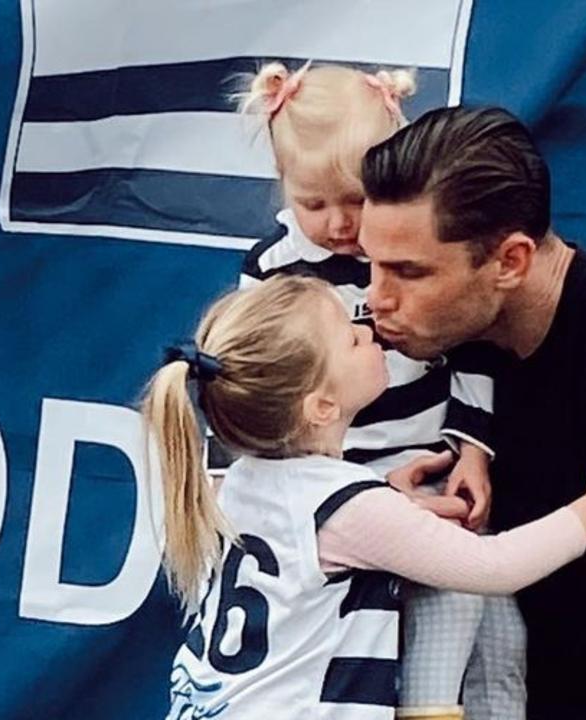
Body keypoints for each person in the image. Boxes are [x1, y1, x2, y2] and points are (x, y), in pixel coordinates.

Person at [142, 273, 586, 719]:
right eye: (352, 340)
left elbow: (315, 549)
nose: (371, 334)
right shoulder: (346, 504)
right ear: (322, 407)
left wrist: (389, 503)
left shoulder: (240, 483)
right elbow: (493, 566)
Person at [357, 104, 586, 717]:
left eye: (408, 272)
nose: (375, 297)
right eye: (368, 263)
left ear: (510, 262)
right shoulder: (445, 350)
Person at [231, 60, 519, 719]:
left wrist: (473, 447)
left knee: (501, 640)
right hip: (345, 494)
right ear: (283, 185)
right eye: (314, 203)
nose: (338, 223)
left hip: (432, 468)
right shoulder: (274, 268)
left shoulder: (414, 248)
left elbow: (467, 340)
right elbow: (261, 381)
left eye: (355, 200)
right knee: (426, 625)